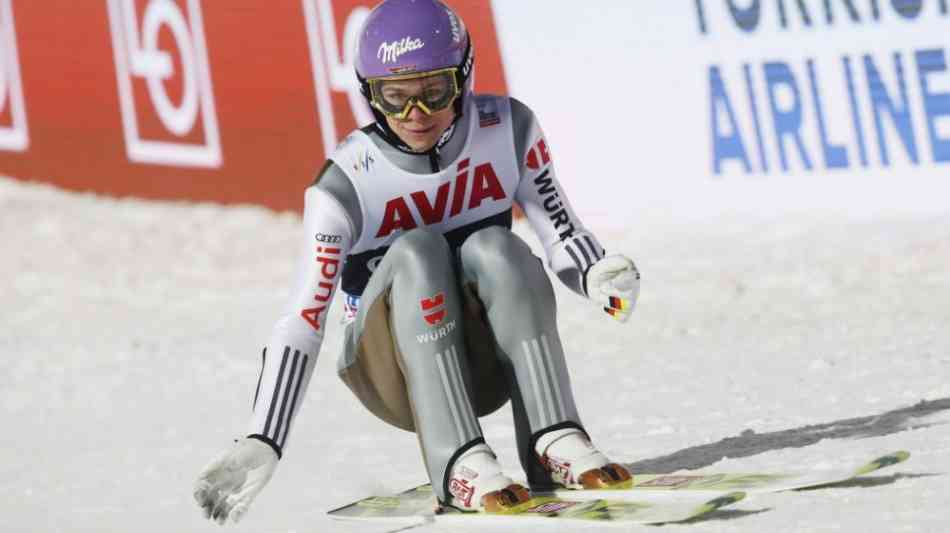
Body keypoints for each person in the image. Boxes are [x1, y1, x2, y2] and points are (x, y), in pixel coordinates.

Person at [193, 0, 640, 524]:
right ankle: (457, 460)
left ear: (464, 78)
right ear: (369, 94)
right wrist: (264, 435)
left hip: (485, 355)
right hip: (390, 372)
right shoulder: (345, 183)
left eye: (434, 92)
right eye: (395, 98)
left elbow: (559, 229)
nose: (416, 117)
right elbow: (305, 319)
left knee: (499, 248)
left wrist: (595, 273)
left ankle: (553, 435)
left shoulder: (508, 130)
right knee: (418, 251)